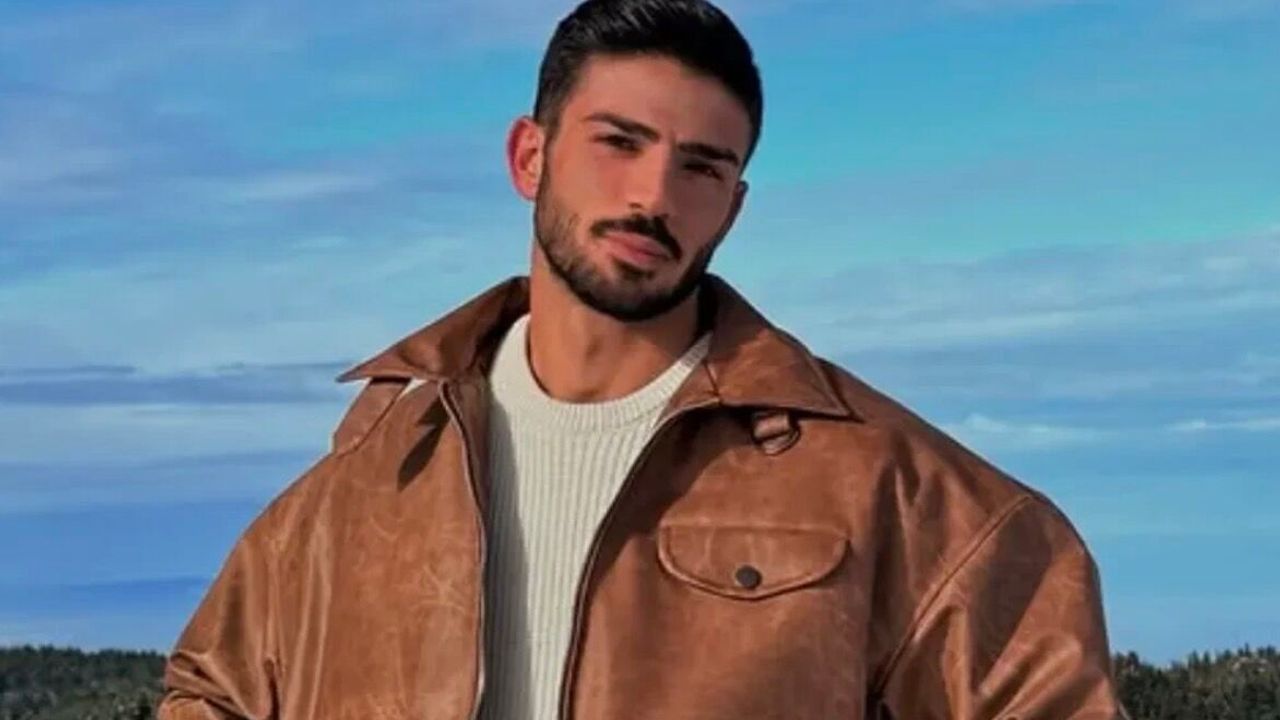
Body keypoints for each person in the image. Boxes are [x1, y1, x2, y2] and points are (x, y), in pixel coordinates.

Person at [158, 0, 1130, 718]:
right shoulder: (374, 473)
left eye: (699, 166)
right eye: (618, 143)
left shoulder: (897, 489)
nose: (652, 195)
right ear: (529, 157)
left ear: (733, 206)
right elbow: (214, 690)